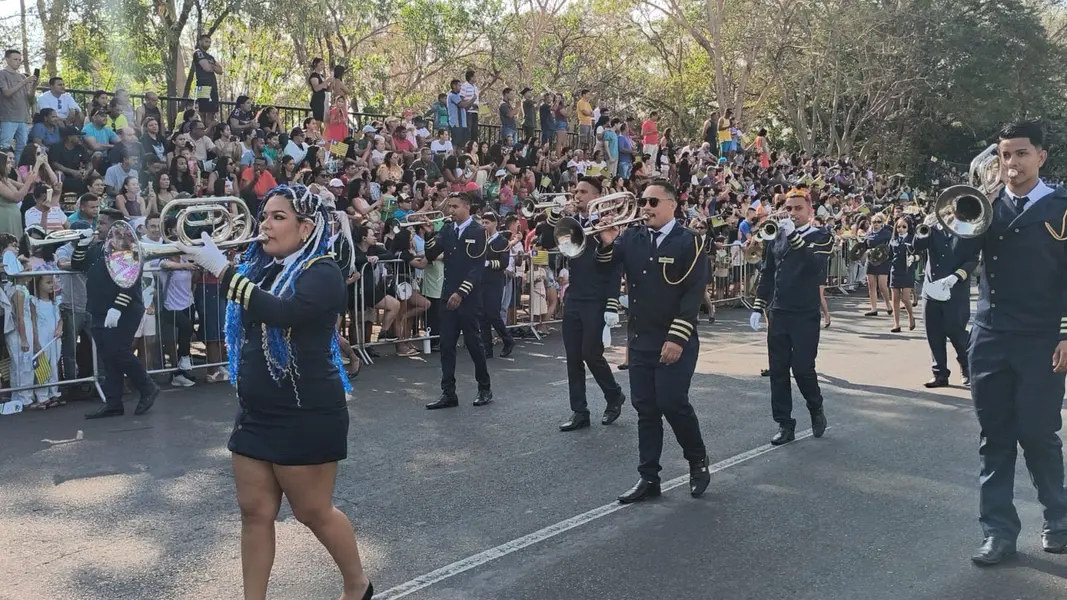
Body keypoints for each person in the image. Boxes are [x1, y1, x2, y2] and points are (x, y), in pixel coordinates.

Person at [176, 184, 373, 599]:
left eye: (278, 217)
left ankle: (357, 584)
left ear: (306, 228)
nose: (265, 225)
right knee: (254, 513)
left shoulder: (323, 270)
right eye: (264, 216)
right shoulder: (261, 268)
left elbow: (281, 312)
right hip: (257, 411)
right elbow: (250, 301)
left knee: (312, 512)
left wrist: (223, 271)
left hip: (306, 412)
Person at [955, 122, 1067, 566]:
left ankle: (1059, 520)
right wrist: (960, 218)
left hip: (1042, 337)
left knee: (1039, 433)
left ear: (1041, 156)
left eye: (1021, 154)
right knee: (995, 437)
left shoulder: (1062, 206)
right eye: (1004, 155)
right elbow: (960, 256)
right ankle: (998, 532)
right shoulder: (986, 205)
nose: (1012, 164)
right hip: (992, 335)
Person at [597, 180, 710, 503]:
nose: (645, 208)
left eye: (652, 202)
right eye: (643, 202)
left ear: (672, 205)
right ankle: (649, 478)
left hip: (675, 338)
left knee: (672, 402)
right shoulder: (632, 237)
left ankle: (697, 460)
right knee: (646, 409)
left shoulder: (691, 241)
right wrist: (606, 242)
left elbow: (692, 295)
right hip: (641, 339)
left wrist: (677, 338)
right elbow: (604, 267)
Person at [542, 177, 626, 431]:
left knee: (591, 353)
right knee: (573, 357)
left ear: (597, 196)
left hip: (598, 298)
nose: (577, 195)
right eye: (575, 191)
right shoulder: (571, 223)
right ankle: (579, 411)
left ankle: (614, 395)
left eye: (583, 191)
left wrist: (612, 302)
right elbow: (547, 243)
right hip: (575, 295)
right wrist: (556, 214)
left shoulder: (607, 223)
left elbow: (613, 267)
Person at [749, 188, 833, 445]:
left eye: (798, 208)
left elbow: (815, 265)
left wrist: (795, 236)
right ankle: (785, 424)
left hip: (805, 313)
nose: (793, 213)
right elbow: (768, 271)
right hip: (779, 311)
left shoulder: (822, 236)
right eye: (789, 209)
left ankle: (815, 407)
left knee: (803, 368)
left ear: (810, 210)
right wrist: (758, 305)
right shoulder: (777, 235)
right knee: (778, 370)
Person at [71, 209, 160, 419]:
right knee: (107, 355)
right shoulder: (98, 248)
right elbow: (78, 265)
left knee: (118, 350)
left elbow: (130, 282)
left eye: (102, 223)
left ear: (114, 226)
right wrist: (81, 246)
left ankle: (147, 387)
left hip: (123, 309)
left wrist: (118, 308)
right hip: (100, 308)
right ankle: (113, 402)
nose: (97, 227)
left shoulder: (128, 249)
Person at [423, 192, 493, 409]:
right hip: (447, 295)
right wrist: (429, 235)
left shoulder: (478, 231)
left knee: (473, 344)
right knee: (446, 345)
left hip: (468, 297)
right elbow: (432, 254)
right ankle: (448, 393)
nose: (450, 210)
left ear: (466, 207)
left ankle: (484, 388)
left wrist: (461, 293)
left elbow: (476, 268)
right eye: (450, 206)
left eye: (454, 206)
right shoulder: (447, 229)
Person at [911, 212, 976, 387]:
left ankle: (966, 365)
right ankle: (939, 374)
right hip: (932, 288)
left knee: (956, 331)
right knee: (933, 332)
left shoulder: (967, 230)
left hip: (954, 288)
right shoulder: (932, 229)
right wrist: (922, 228)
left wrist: (957, 276)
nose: (948, 213)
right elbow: (917, 246)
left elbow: (973, 260)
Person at [479, 212, 515, 359]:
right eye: (483, 222)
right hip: (481, 281)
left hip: (494, 281)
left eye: (487, 223)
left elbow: (504, 263)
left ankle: (507, 340)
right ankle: (487, 348)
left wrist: (488, 263)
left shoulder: (502, 241)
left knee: (493, 313)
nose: (484, 226)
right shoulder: (481, 239)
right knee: (482, 316)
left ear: (495, 223)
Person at [887, 217, 916, 332]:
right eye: (898, 226)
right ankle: (896, 323)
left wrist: (914, 257)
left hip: (907, 270)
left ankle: (910, 316)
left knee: (905, 297)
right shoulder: (893, 239)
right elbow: (889, 254)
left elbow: (919, 253)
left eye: (904, 226)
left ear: (908, 227)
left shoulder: (912, 239)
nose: (901, 229)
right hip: (895, 270)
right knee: (895, 298)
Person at [862, 213, 892, 316]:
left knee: (882, 285)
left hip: (883, 260)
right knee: (871, 285)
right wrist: (867, 251)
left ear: (882, 222)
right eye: (874, 222)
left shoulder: (887, 233)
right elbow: (865, 246)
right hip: (871, 260)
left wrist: (881, 251)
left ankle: (888, 304)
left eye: (879, 222)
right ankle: (873, 308)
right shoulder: (869, 233)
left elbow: (889, 247)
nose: (876, 224)